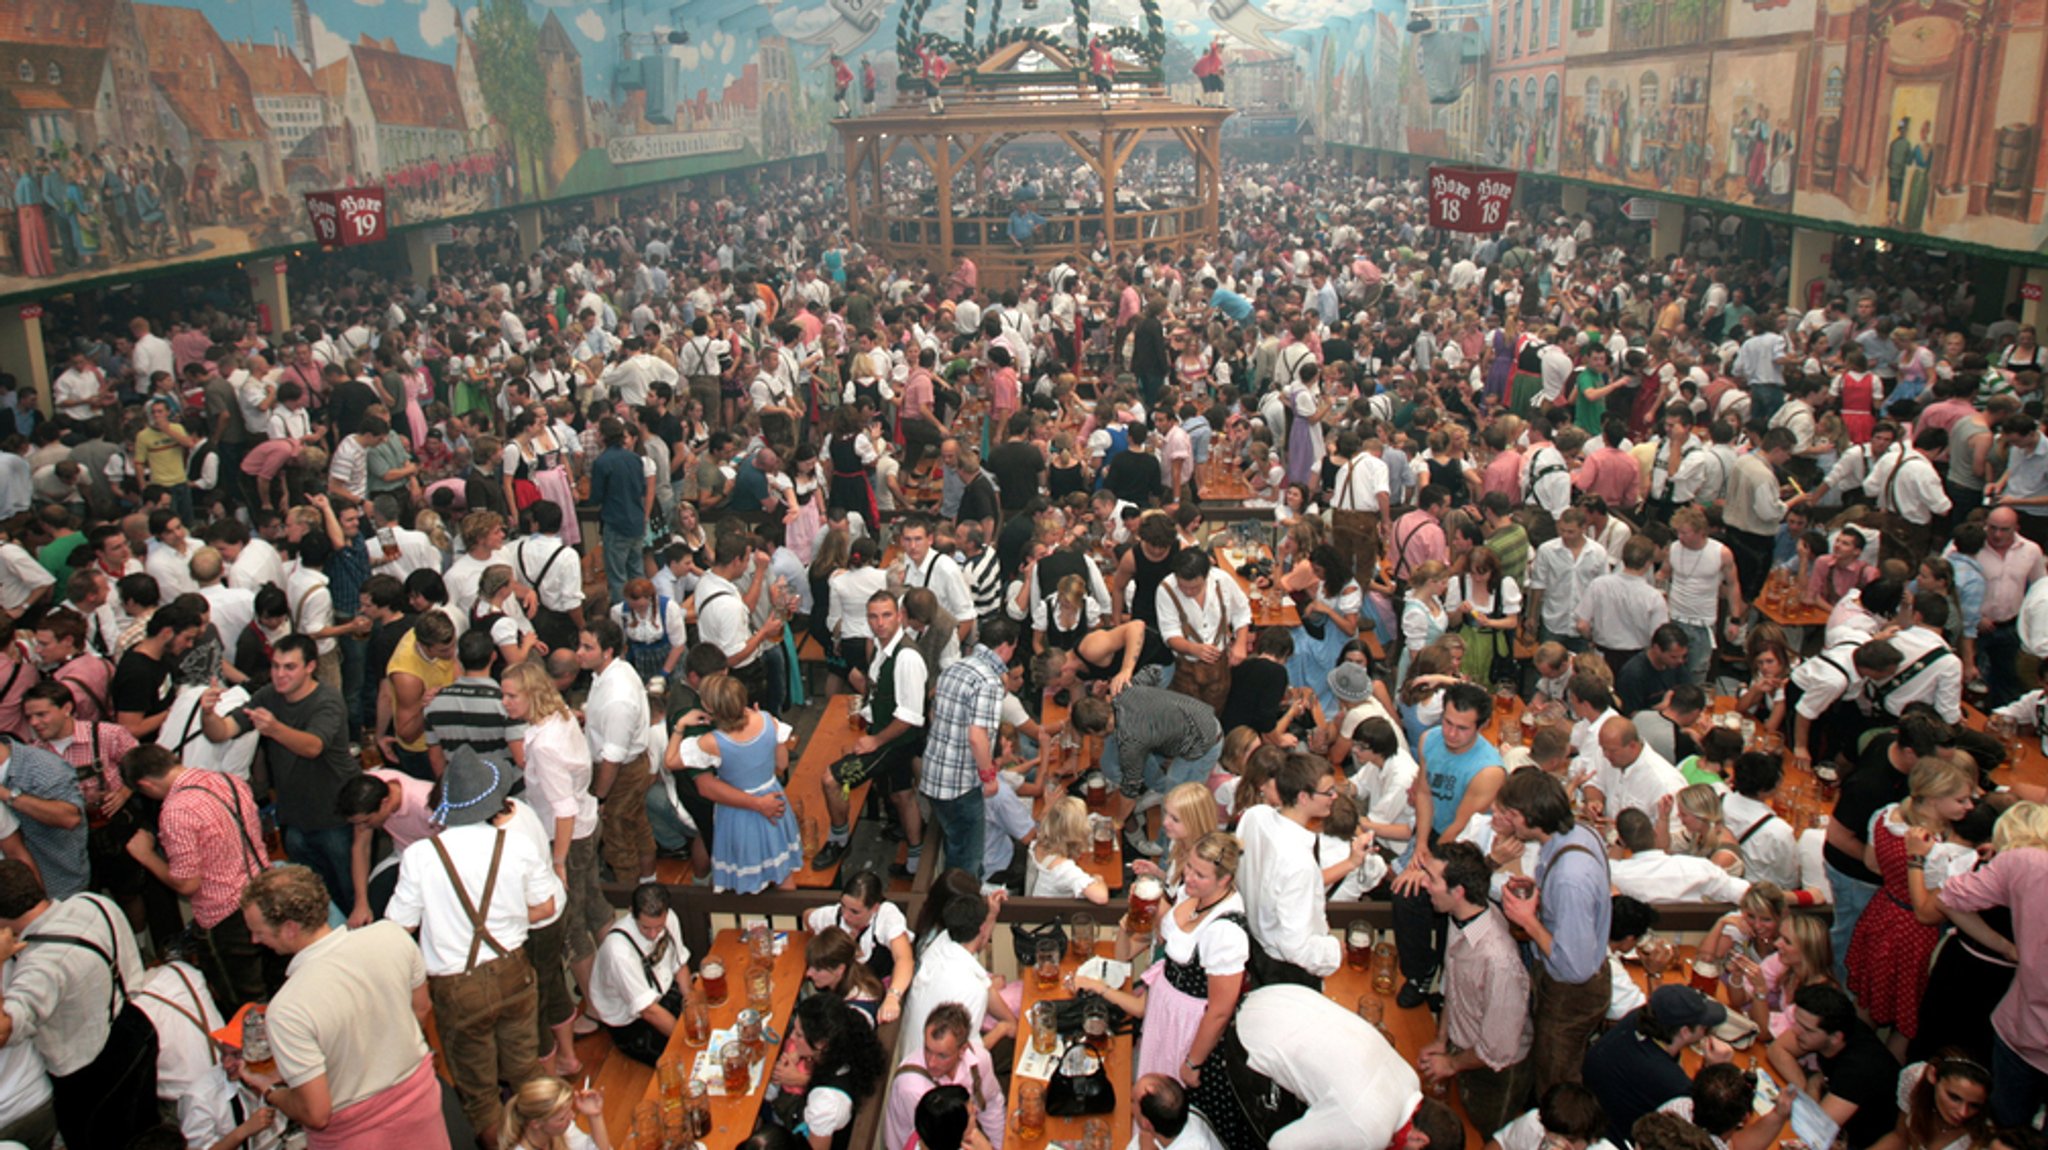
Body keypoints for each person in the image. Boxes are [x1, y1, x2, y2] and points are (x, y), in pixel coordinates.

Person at [385, 746, 556, 1144]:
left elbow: (399, 925)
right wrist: (509, 915)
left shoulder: (420, 856)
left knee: (479, 1094)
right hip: (513, 968)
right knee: (526, 1072)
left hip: (455, 985)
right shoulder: (514, 844)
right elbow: (545, 906)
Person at [239, 864, 452, 1150]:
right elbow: (421, 1009)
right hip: (422, 1103)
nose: (254, 940)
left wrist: (269, 1090)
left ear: (290, 929)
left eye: (259, 931)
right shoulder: (393, 936)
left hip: (356, 1135)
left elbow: (316, 1113)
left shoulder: (288, 1008)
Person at [0, 858, 159, 1150]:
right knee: (147, 1135)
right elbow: (131, 972)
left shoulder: (39, 968)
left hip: (90, 1077)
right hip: (134, 1029)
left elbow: (3, 1031)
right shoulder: (93, 903)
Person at [1193, 982, 1460, 1150]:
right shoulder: (1370, 1133)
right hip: (1252, 1037)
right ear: (1419, 1139)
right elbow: (1280, 1145)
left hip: (1280, 996)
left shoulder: (1410, 1080)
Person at [200, 634, 360, 909]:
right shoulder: (268, 696)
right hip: (294, 817)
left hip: (334, 817)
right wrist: (207, 714)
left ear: (310, 667)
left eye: (289, 667)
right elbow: (223, 732)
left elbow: (313, 746)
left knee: (348, 893)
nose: (279, 674)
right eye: (275, 666)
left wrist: (275, 729)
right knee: (308, 899)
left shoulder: (327, 700)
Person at [119, 742, 277, 1011]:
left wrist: (146, 856)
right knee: (276, 982)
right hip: (266, 892)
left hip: (226, 914)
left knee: (246, 1004)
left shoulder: (176, 811)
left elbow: (187, 883)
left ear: (145, 785)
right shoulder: (227, 780)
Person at [1493, 768, 1612, 1095]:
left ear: (1522, 816)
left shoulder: (1570, 878)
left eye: (1509, 815)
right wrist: (1539, 891)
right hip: (1575, 974)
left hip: (1571, 994)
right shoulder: (1580, 835)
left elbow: (1575, 967)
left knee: (1556, 1083)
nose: (1507, 822)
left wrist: (1527, 919)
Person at [1391, 681, 1505, 1007]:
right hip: (1433, 832)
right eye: (1448, 723)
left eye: (1462, 728)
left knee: (1452, 912)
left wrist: (1428, 863)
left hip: (1466, 844)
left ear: (1481, 726)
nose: (1452, 734)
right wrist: (1421, 847)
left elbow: (1462, 825)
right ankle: (1420, 972)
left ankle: (1450, 986)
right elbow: (1425, 793)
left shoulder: (1488, 770)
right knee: (1405, 894)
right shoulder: (1430, 740)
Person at [1936, 801, 2048, 1128]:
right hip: (2021, 1032)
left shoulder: (2026, 863)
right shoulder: (2027, 863)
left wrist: (2009, 948)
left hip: (2021, 1032)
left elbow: (1949, 899)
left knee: (2002, 1129)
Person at [1417, 840, 1533, 1134]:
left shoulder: (1500, 961)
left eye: (1432, 879)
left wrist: (1452, 1065)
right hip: (1460, 1053)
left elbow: (1498, 1048)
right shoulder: (1461, 918)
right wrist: (1442, 1040)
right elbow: (1453, 986)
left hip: (1492, 1075)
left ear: (1458, 892)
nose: (1425, 885)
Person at [919, 617, 1017, 884]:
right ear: (1007, 647)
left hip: (933, 775)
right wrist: (989, 777)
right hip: (960, 786)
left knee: (956, 846)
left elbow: (933, 711)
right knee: (967, 863)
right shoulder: (989, 682)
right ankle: (958, 911)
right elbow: (977, 737)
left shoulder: (955, 667)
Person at [1236, 754, 1346, 988]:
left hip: (1254, 943)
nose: (1334, 796)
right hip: (1285, 969)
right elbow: (1295, 946)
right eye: (1328, 792)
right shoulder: (1299, 864)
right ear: (1303, 797)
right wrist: (1334, 951)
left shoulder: (1255, 816)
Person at [692, 670, 801, 893]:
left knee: (744, 875)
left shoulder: (710, 742)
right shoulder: (767, 720)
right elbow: (782, 764)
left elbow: (695, 778)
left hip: (737, 811)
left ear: (711, 707)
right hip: (774, 799)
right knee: (783, 874)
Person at [1582, 985, 1730, 1146]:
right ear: (1685, 1031)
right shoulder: (1672, 1083)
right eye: (1705, 1027)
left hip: (1594, 1114)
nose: (1707, 1032)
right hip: (1618, 1140)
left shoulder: (1637, 1018)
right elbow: (1702, 1126)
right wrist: (1714, 1071)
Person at [1765, 984, 1902, 1150]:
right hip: (1830, 1109)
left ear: (1835, 1037)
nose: (1795, 1031)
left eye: (1807, 1029)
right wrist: (1804, 1086)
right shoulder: (1832, 1027)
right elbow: (1776, 1050)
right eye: (1796, 1022)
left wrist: (1813, 1089)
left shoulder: (1858, 1070)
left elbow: (1814, 1131)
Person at [577, 619, 656, 887]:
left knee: (618, 838)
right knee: (637, 824)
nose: (580, 652)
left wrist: (599, 798)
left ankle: (630, 894)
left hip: (621, 774)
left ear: (607, 651)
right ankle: (648, 880)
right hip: (628, 766)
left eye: (587, 647)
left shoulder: (617, 697)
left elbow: (612, 758)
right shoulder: (614, 671)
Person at [586, 881, 689, 1067]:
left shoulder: (670, 918)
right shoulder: (619, 951)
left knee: (713, 1019)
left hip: (663, 994)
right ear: (631, 912)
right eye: (645, 928)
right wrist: (687, 1039)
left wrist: (692, 1002)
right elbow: (648, 1011)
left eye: (658, 927)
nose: (653, 934)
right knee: (684, 1062)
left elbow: (680, 964)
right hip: (633, 1022)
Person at [802, 869, 915, 1022]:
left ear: (874, 908)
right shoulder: (836, 916)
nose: (846, 916)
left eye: (855, 912)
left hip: (875, 996)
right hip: (842, 995)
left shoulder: (886, 917)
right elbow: (808, 916)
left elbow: (904, 959)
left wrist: (893, 997)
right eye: (843, 906)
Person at [499, 1076, 611, 1150]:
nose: (572, 1116)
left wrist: (595, 1116)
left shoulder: (562, 1130)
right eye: (562, 1118)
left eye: (569, 1110)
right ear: (536, 1123)